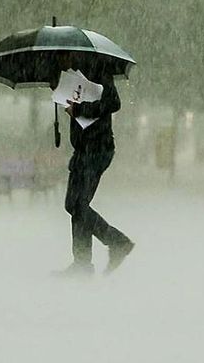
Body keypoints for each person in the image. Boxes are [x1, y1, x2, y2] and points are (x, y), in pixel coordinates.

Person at [53, 52, 135, 277]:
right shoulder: (68, 76)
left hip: (97, 150)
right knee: (74, 205)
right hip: (82, 150)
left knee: (78, 206)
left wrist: (79, 110)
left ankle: (114, 243)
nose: (60, 62)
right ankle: (84, 263)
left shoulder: (98, 71)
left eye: (62, 58)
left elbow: (113, 103)